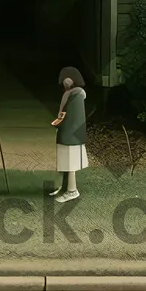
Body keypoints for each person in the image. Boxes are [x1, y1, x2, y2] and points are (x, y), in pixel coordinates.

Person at [49, 65, 87, 202]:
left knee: (70, 164)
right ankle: (65, 187)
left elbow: (72, 117)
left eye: (66, 79)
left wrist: (61, 124)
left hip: (71, 136)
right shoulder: (72, 94)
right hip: (68, 134)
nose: (64, 82)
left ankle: (72, 190)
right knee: (66, 163)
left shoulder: (75, 95)